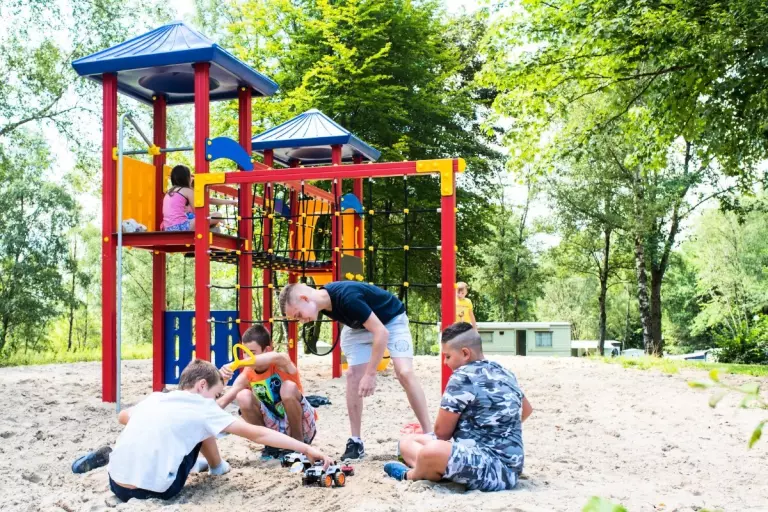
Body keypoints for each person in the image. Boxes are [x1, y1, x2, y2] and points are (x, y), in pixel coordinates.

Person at [106, 359, 332, 502]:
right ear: (202, 385)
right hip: (156, 489)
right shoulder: (202, 408)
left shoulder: (156, 398)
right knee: (203, 426)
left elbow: (122, 416)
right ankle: (217, 467)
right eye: (215, 395)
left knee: (188, 429)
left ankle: (196, 463)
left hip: (116, 483)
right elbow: (258, 434)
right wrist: (306, 448)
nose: (214, 401)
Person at [279, 281, 432, 460]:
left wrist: (370, 374)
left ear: (305, 299)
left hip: (390, 320)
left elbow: (381, 332)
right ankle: (355, 442)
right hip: (358, 327)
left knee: (404, 373)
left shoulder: (348, 298)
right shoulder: (323, 303)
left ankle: (430, 435)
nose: (301, 320)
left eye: (298, 314)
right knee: (352, 375)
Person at [383, 322, 533, 492]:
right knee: (408, 441)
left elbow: (442, 433)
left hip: (492, 471)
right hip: (511, 467)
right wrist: (500, 428)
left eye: (448, 356)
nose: (445, 362)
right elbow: (527, 410)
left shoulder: (462, 376)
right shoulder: (504, 372)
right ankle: (433, 468)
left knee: (432, 450)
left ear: (465, 353)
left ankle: (410, 474)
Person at [218, 324, 317, 458]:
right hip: (274, 427)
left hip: (302, 426)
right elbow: (225, 399)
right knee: (242, 396)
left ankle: (298, 445)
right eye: (244, 352)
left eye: (252, 353)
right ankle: (271, 445)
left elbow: (275, 357)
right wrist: (221, 380)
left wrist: (236, 364)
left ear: (267, 350)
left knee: (288, 387)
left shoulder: (281, 361)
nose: (247, 358)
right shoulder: (248, 374)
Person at [161, 164, 236, 231]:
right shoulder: (187, 191)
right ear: (187, 178)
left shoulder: (169, 192)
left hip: (167, 228)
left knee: (210, 218)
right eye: (190, 176)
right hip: (181, 227)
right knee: (217, 215)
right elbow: (199, 212)